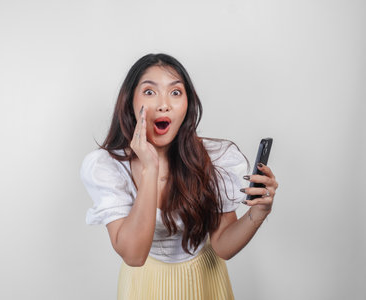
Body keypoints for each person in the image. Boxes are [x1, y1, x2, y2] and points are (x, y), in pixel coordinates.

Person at [80, 53, 279, 299]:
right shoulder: (109, 167)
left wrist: (258, 213)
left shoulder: (215, 160)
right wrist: (150, 169)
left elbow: (223, 247)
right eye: (150, 92)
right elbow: (133, 255)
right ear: (129, 102)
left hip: (205, 280)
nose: (164, 104)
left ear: (187, 105)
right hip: (144, 284)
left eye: (175, 92)